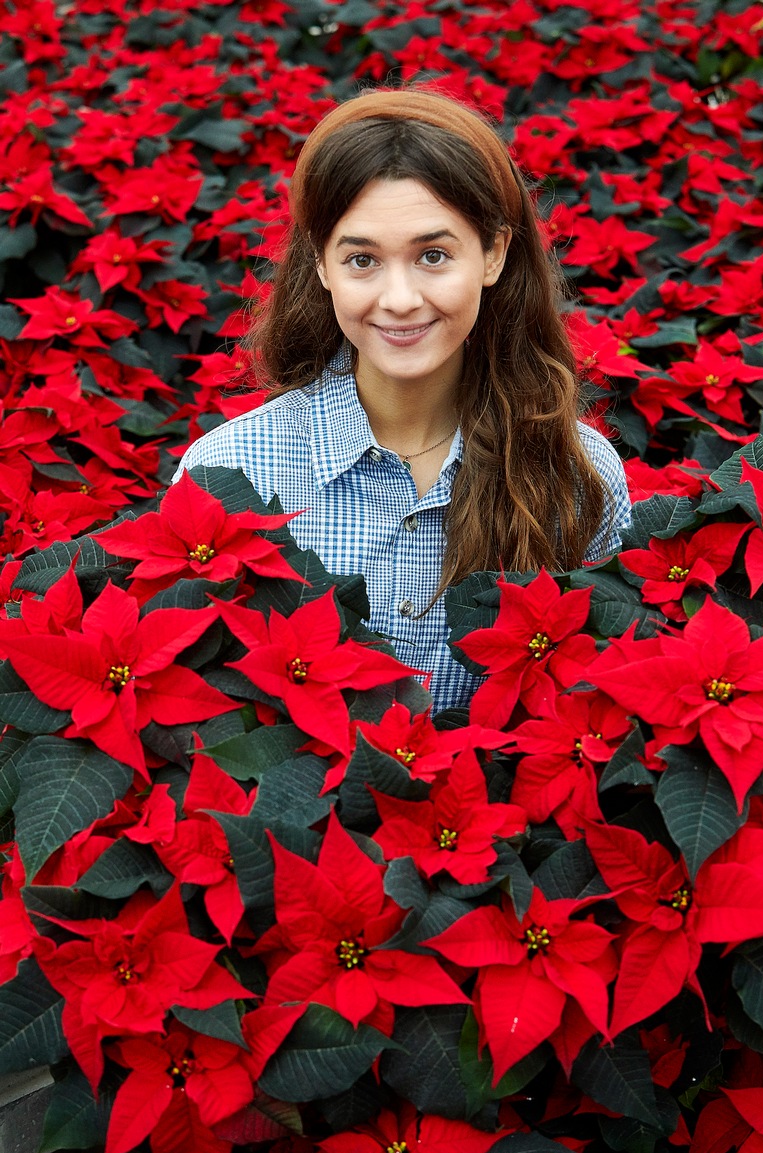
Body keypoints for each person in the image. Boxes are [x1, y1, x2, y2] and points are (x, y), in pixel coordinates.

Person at [174, 88, 631, 713]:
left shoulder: (577, 470)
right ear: (322, 264)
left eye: (433, 256)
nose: (399, 299)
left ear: (493, 253)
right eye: (362, 259)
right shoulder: (233, 467)